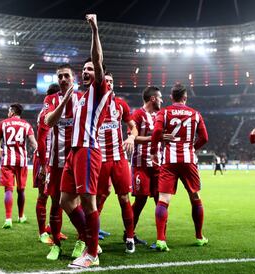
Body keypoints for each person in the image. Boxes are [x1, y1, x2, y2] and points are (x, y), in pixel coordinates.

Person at [60, 14, 112, 268]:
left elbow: (98, 59)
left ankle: (91, 254)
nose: (86, 72)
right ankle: (91, 241)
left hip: (89, 150)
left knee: (89, 202)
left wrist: (94, 30)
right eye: (84, 70)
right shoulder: (80, 96)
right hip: (74, 152)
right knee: (65, 200)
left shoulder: (100, 88)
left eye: (90, 69)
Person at [150, 84, 209, 251]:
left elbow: (156, 133)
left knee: (163, 200)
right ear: (185, 97)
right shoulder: (195, 114)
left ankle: (161, 240)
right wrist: (192, 147)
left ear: (171, 97)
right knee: (195, 197)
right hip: (188, 160)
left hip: (169, 160)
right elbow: (204, 137)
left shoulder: (165, 112)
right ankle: (199, 237)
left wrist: (154, 151)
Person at [43, 66, 82, 261]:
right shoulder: (51, 99)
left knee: (78, 202)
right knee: (56, 202)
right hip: (56, 161)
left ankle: (83, 240)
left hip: (78, 159)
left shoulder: (82, 98)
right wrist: (65, 99)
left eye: (67, 75)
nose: (63, 79)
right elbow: (49, 121)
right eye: (60, 77)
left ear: (73, 78)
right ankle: (56, 244)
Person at [96, 72, 138, 253]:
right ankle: (91, 237)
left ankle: (129, 237)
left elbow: (133, 127)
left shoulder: (120, 105)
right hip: (99, 159)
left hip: (119, 158)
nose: (110, 84)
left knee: (124, 198)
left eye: (112, 81)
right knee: (97, 200)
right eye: (107, 81)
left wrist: (131, 138)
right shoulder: (92, 105)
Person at [0, 103, 37, 229]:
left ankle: (8, 219)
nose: (8, 113)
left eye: (9, 111)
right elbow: (33, 143)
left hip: (7, 161)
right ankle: (21, 216)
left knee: (8, 189)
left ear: (12, 112)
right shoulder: (26, 125)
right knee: (21, 190)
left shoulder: (3, 123)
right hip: (22, 161)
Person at [130, 86, 163, 246]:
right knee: (140, 200)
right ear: (153, 99)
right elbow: (132, 138)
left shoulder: (159, 116)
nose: (162, 101)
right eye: (160, 98)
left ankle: (161, 239)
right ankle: (129, 234)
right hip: (140, 164)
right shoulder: (137, 115)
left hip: (158, 166)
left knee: (161, 200)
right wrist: (154, 139)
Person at [33, 83, 65, 245]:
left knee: (57, 197)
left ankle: (54, 230)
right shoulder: (46, 114)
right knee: (43, 195)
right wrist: (44, 166)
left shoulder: (60, 112)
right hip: (44, 158)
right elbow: (41, 141)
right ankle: (41, 233)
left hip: (55, 159)